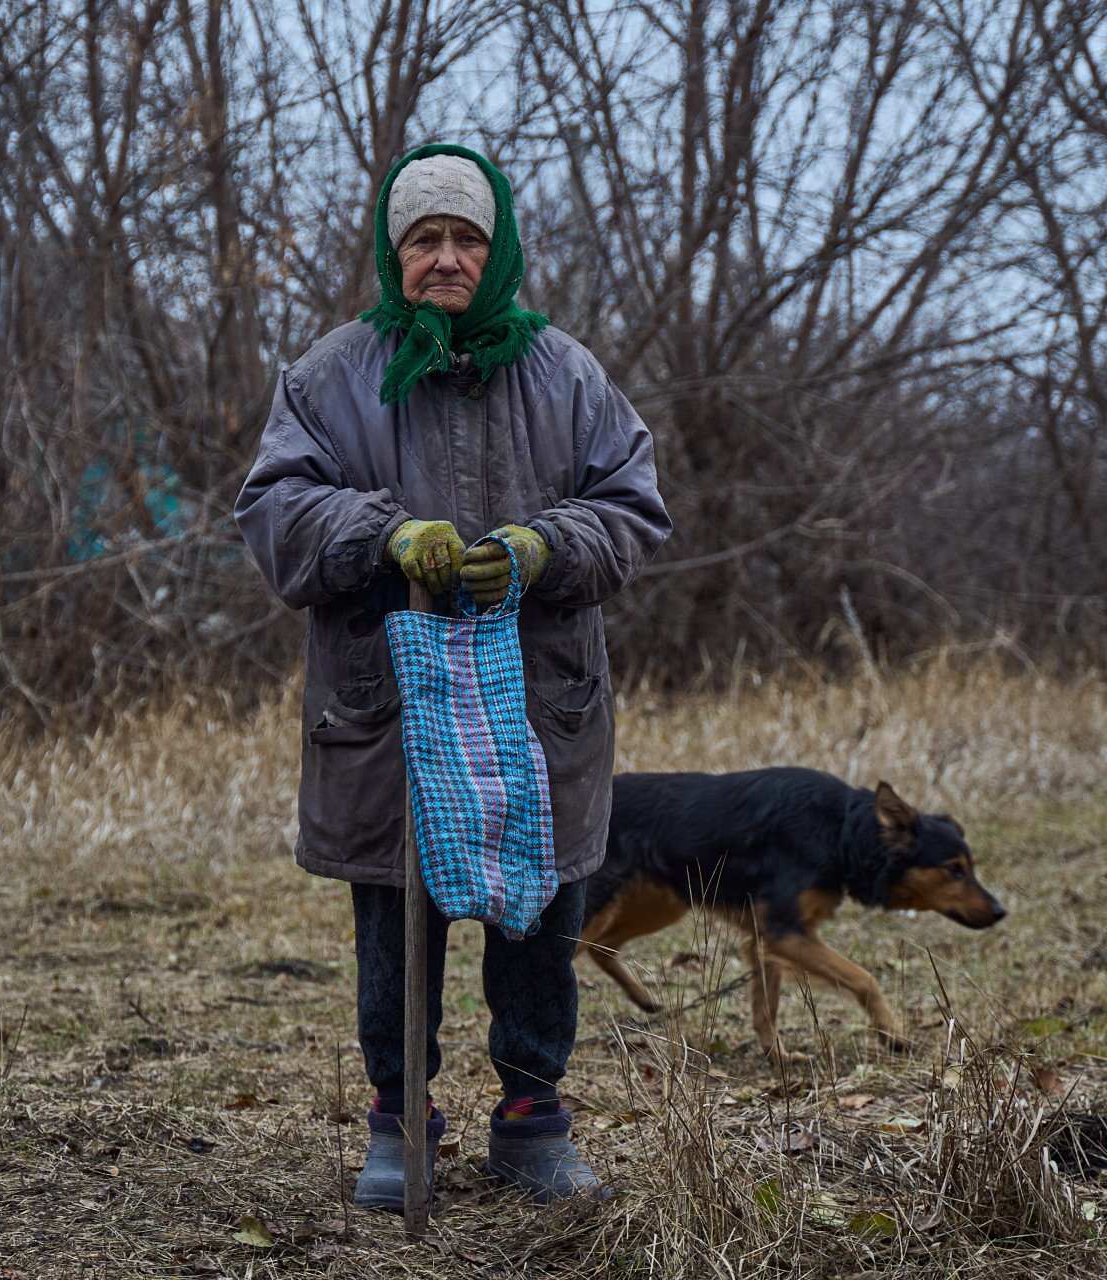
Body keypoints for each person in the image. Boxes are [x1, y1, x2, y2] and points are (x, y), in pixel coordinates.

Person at [234, 142, 669, 1207]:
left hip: (538, 705)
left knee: (539, 924)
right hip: (387, 711)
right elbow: (274, 510)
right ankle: (399, 1121)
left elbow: (632, 508)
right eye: (423, 238)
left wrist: (544, 547)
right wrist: (383, 537)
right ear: (395, 253)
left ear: (498, 247)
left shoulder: (567, 374)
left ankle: (532, 1121)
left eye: (465, 237)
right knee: (396, 924)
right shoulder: (328, 376)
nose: (444, 257)